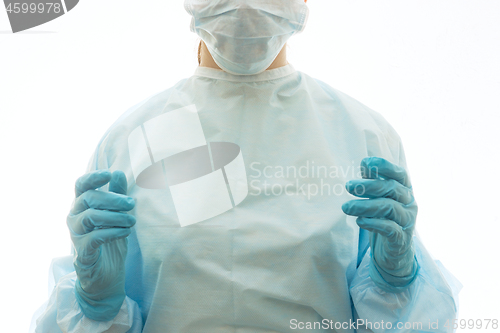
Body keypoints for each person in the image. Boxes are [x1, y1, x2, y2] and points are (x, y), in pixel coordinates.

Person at [30, 1, 462, 332]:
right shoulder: (132, 138)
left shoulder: (362, 134)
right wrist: (95, 302)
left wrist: (394, 279)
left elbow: (408, 323)